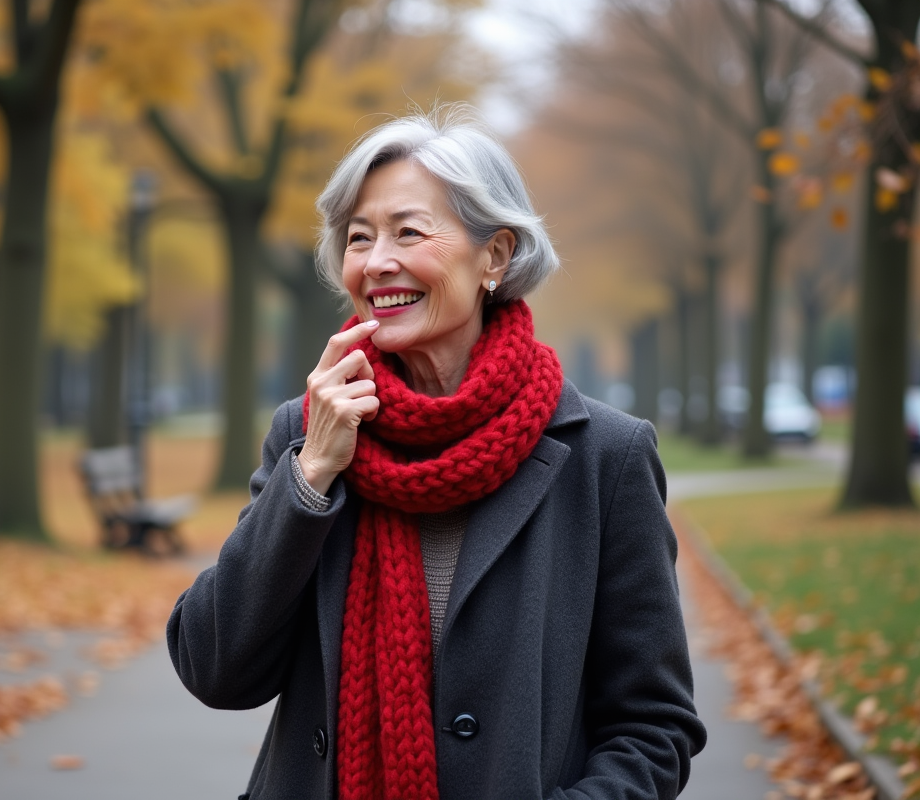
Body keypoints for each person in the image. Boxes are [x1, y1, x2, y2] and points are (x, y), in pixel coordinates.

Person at [167, 105, 706, 800]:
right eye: (359, 239)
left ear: (496, 256)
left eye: (408, 232)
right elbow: (215, 670)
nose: (377, 262)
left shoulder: (604, 455)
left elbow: (653, 726)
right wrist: (308, 481)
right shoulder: (309, 434)